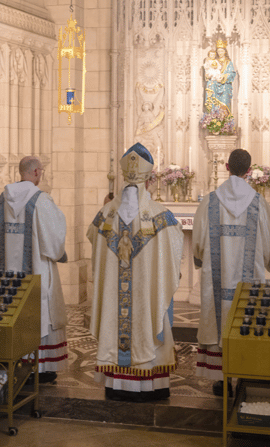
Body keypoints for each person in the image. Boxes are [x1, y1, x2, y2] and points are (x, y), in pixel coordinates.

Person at [87, 143, 184, 401]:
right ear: (148, 178)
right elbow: (175, 254)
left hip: (114, 297)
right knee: (148, 321)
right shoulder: (161, 217)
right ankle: (148, 384)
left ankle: (117, 384)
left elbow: (92, 240)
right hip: (145, 298)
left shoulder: (105, 215)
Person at [192, 149, 270, 396]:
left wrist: (200, 260)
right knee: (246, 320)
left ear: (227, 167)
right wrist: (268, 263)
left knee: (218, 321)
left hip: (216, 285)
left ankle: (221, 380)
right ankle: (244, 376)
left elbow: (197, 242)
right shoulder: (259, 203)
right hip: (248, 287)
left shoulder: (210, 201)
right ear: (249, 171)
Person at [0, 155, 68, 383]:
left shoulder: (2, 200)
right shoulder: (40, 200)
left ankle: (14, 361)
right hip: (37, 271)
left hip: (7, 277)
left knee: (13, 311)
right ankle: (41, 367)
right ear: (36, 172)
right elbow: (54, 239)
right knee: (41, 313)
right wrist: (59, 253)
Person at [204, 39, 236, 116]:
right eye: (218, 51)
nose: (220, 53)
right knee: (213, 103)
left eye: (221, 51)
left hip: (225, 87)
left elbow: (232, 74)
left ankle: (225, 123)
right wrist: (208, 75)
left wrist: (223, 77)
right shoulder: (214, 61)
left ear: (225, 51)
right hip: (214, 86)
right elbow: (208, 71)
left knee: (224, 105)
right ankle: (213, 119)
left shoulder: (228, 62)